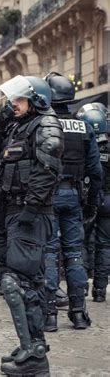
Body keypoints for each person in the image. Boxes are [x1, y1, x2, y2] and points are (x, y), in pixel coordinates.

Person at [0, 75, 63, 376]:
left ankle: (35, 355)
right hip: (15, 212)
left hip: (29, 214)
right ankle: (30, 345)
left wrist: (31, 208)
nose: (12, 104)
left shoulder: (46, 124)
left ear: (36, 99)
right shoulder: (20, 124)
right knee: (21, 282)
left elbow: (48, 169)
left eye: (18, 99)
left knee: (18, 283)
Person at [43, 72, 101, 331]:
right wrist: (91, 202)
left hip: (48, 196)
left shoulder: (43, 124)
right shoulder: (84, 127)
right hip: (74, 195)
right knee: (75, 254)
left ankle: (50, 314)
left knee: (49, 253)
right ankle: (78, 312)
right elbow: (95, 171)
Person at [80, 107, 110, 302]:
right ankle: (99, 290)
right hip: (108, 200)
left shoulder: (82, 146)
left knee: (80, 242)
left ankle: (80, 285)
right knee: (105, 246)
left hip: (87, 198)